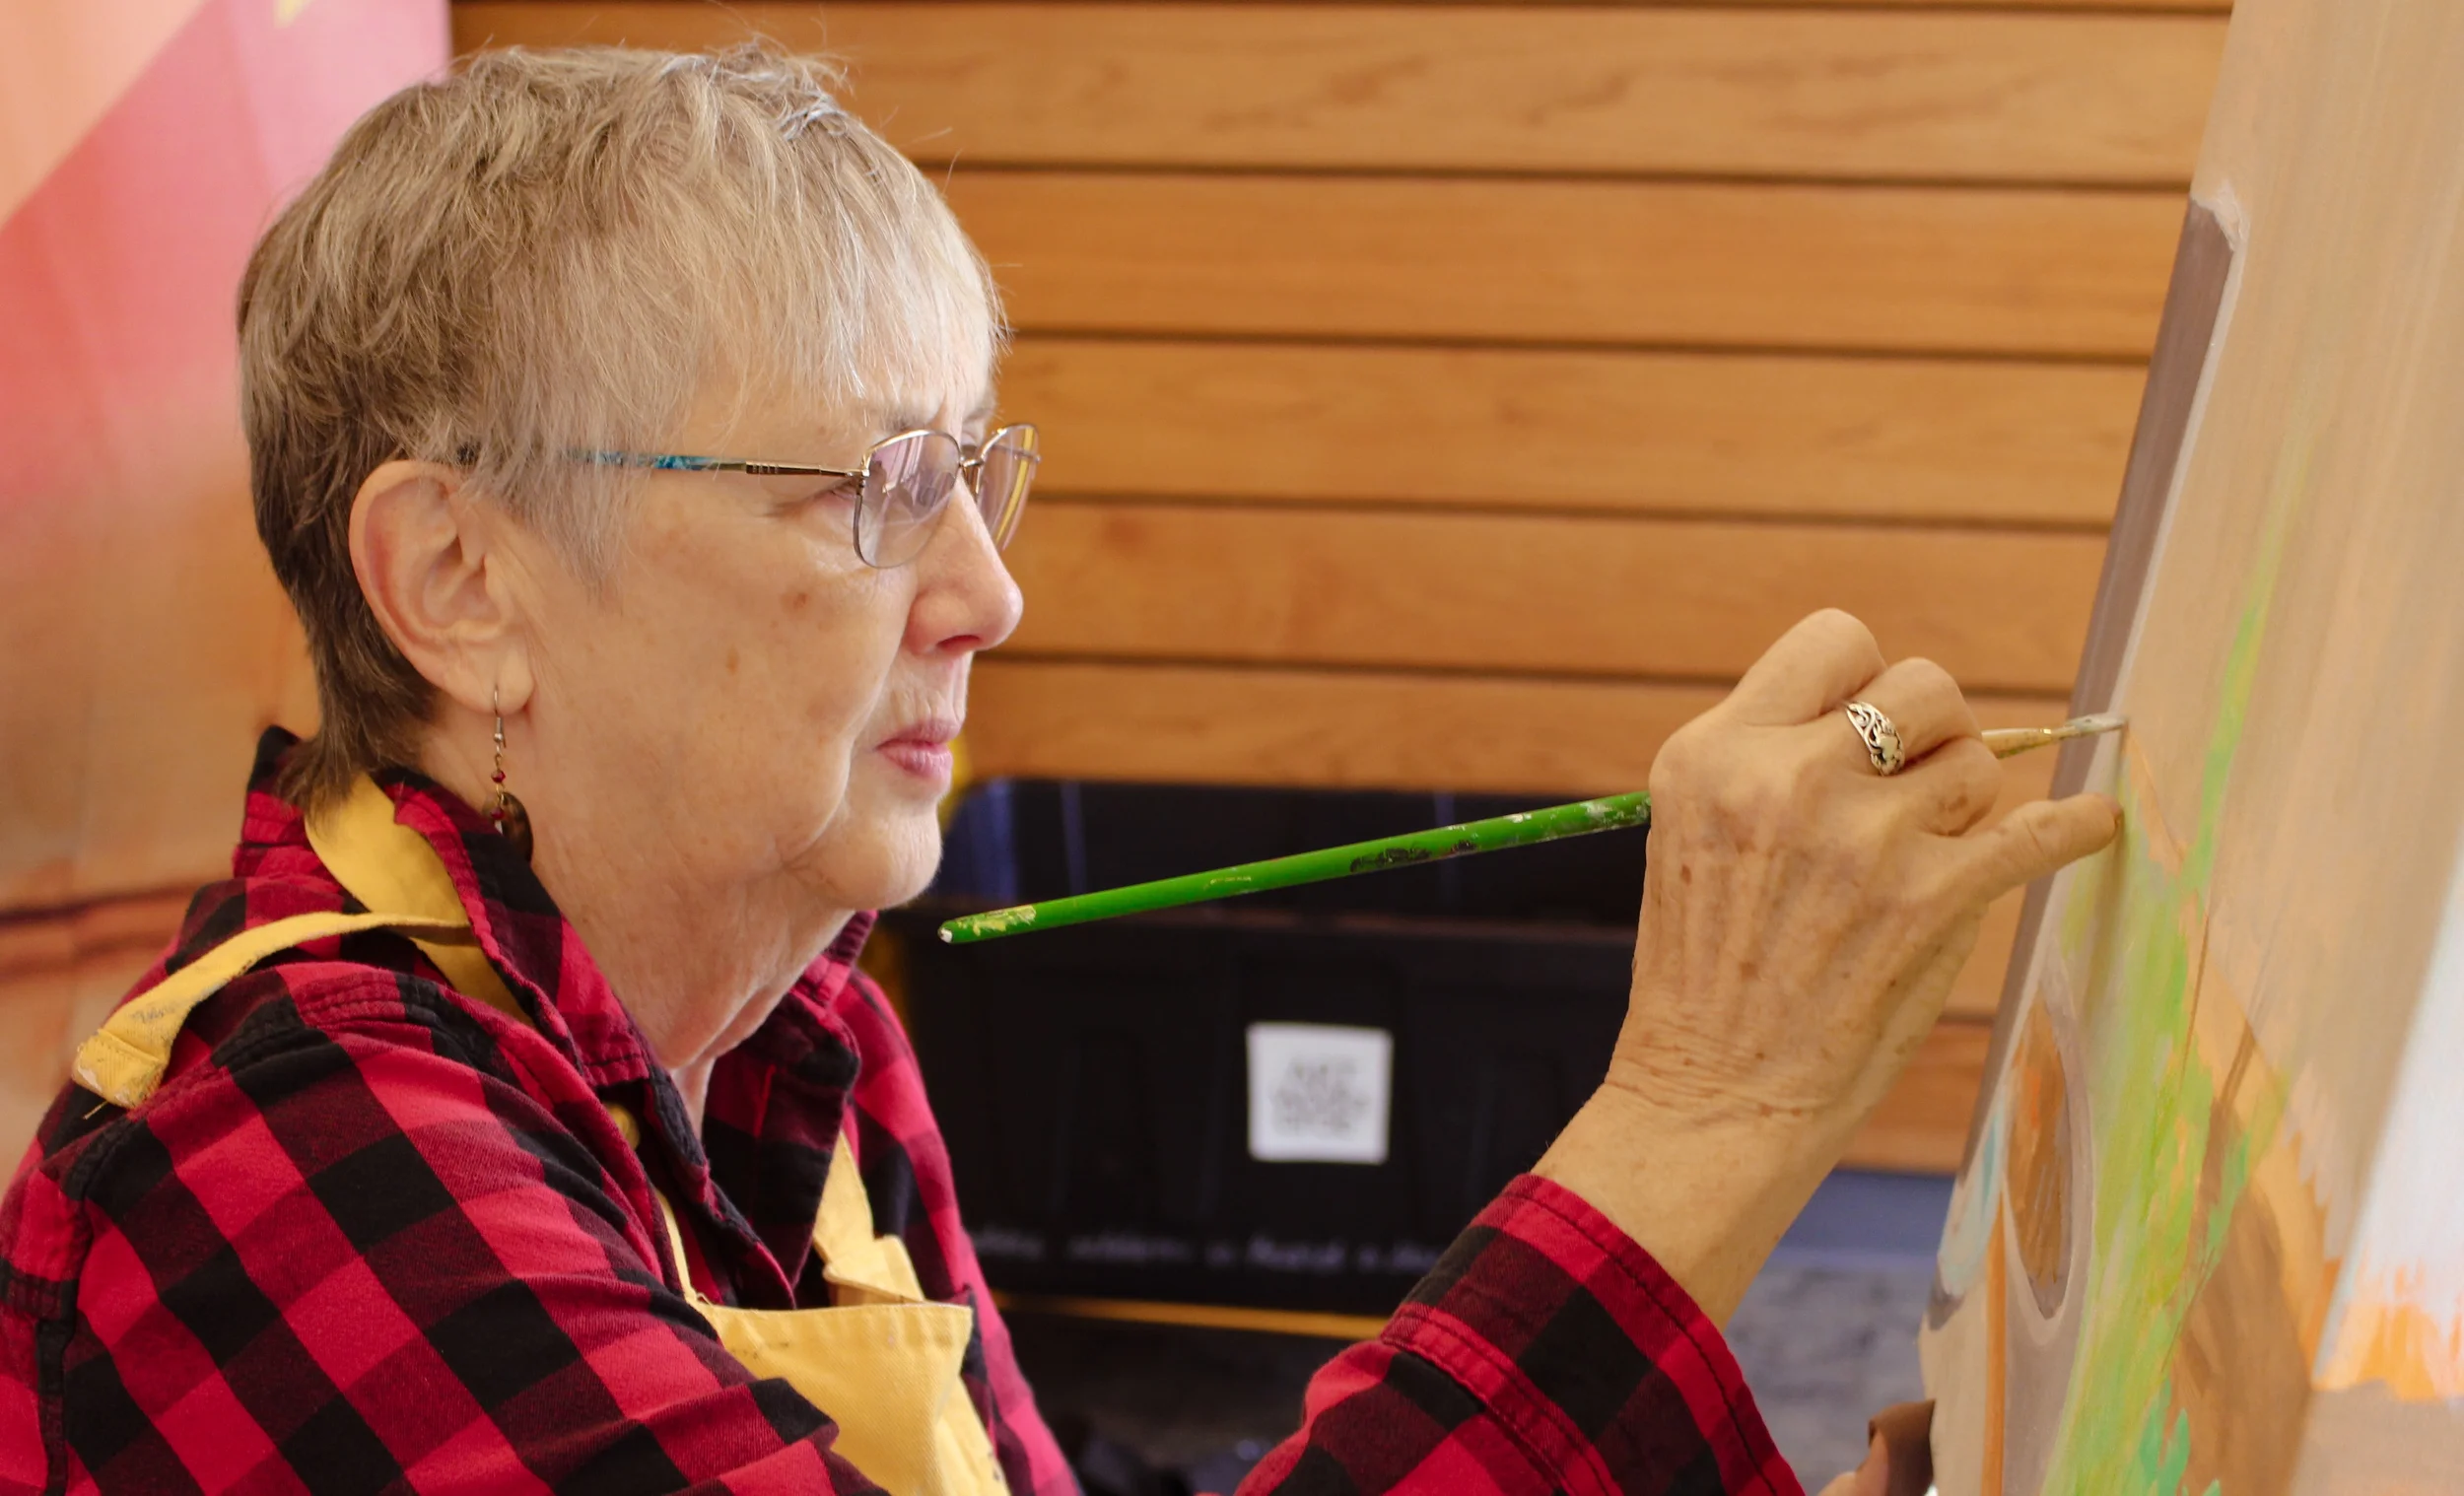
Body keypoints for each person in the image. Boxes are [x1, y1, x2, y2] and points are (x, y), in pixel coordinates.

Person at [0, 44, 2118, 1496]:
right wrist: (1705, 1113)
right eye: (877, 489)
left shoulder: (796, 1048)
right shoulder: (269, 1144)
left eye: (980, 473)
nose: (989, 593)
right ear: (458, 582)